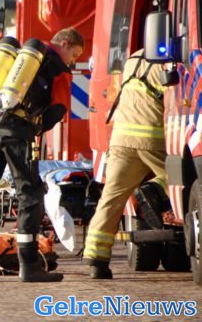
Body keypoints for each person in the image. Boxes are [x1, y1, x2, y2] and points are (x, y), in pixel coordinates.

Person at [0, 28, 84, 282]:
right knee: (29, 193)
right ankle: (29, 265)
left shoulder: (14, 57)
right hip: (16, 131)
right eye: (74, 54)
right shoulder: (57, 68)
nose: (72, 61)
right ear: (64, 43)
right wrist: (36, 127)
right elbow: (59, 108)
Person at [83, 49, 167, 279]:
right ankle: (153, 190)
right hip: (152, 138)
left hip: (121, 139)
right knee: (179, 179)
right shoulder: (169, 61)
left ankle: (96, 260)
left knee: (111, 198)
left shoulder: (132, 60)